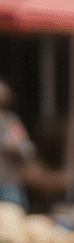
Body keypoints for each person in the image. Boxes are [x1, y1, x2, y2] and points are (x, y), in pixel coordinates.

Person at [0, 80, 35, 209]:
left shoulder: (10, 120)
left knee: (14, 219)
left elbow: (25, 148)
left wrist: (12, 147)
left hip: (7, 181)